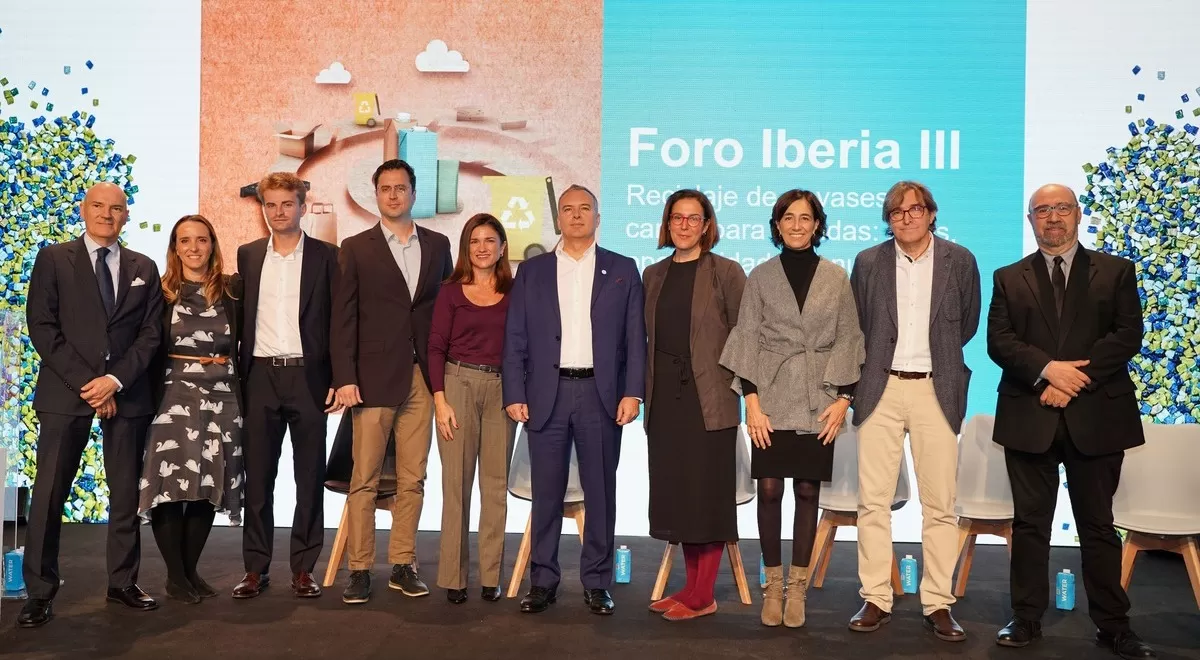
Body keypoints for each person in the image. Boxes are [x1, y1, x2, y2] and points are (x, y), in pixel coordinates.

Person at [987, 184, 1155, 659]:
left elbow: (1127, 335)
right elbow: (1000, 341)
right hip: (1029, 413)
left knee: (1098, 525)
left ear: (1078, 214)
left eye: (1062, 208)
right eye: (1042, 210)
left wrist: (1071, 381)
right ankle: (1026, 618)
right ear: (1030, 220)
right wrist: (1047, 371)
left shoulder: (1116, 271)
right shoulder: (1008, 277)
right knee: (1030, 525)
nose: (1053, 217)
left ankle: (1114, 626)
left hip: (1097, 414)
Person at [19, 182, 165, 628]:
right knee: (49, 494)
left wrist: (115, 381)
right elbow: (42, 326)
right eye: (98, 206)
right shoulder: (52, 259)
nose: (106, 214)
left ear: (126, 215)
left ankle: (122, 582)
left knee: (125, 494)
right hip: (67, 393)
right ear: (83, 210)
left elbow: (151, 334)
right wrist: (91, 384)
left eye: (116, 208)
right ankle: (39, 592)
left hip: (127, 393)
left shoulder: (144, 266)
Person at [720, 189, 864, 628]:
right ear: (777, 225)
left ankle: (797, 590)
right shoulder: (761, 276)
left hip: (821, 396)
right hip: (770, 394)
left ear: (817, 225)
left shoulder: (836, 277)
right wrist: (751, 403)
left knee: (806, 491)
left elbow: (850, 338)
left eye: (805, 218)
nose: (797, 225)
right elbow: (746, 336)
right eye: (788, 217)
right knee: (768, 490)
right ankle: (772, 586)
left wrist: (844, 400)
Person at [502, 184, 647, 615]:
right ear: (558, 219)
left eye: (585, 209)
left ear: (598, 218)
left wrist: (633, 391)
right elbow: (515, 336)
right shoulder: (533, 271)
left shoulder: (622, 268)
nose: (577, 215)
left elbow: (635, 338)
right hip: (546, 393)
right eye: (568, 209)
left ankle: (597, 582)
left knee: (600, 492)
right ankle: (542, 581)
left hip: (601, 395)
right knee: (545, 493)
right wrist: (514, 391)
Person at [847, 181, 979, 641]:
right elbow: (859, 324)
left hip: (935, 389)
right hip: (879, 390)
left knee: (940, 503)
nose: (906, 218)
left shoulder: (959, 260)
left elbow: (966, 324)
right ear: (888, 219)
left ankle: (938, 602)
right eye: (897, 212)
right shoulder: (868, 262)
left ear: (931, 213)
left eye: (915, 209)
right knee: (872, 502)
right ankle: (875, 597)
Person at [332, 159, 453, 604]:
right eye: (386, 188)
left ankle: (403, 564)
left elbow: (447, 311)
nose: (394, 195)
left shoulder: (438, 245)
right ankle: (360, 569)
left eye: (401, 188)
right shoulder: (355, 247)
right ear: (376, 195)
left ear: (414, 194)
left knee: (413, 478)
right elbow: (343, 318)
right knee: (364, 479)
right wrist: (345, 377)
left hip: (423, 378)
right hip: (372, 379)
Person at [233, 172, 340, 600]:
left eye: (287, 204)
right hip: (260, 376)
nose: (279, 212)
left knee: (309, 477)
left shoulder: (328, 257)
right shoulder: (247, 255)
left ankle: (304, 568)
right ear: (263, 209)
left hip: (309, 377)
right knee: (258, 478)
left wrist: (339, 378)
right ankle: (254, 568)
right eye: (271, 204)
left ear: (302, 207)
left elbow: (339, 322)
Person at [642, 190, 746, 621]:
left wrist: (744, 391)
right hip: (665, 397)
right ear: (667, 224)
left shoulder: (727, 272)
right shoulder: (653, 274)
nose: (684, 225)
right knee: (679, 494)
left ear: (707, 225)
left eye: (693, 218)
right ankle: (689, 587)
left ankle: (703, 594)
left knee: (707, 494)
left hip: (710, 396)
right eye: (677, 217)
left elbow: (745, 336)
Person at [139, 215, 244, 604]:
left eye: (202, 239)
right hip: (173, 395)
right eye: (185, 240)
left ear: (213, 244)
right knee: (170, 485)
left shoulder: (231, 291)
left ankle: (188, 571)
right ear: (175, 248)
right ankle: (175, 575)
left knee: (208, 484)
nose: (194, 247)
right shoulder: (161, 292)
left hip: (224, 397)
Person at [427, 213, 517, 605]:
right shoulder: (450, 291)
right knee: (456, 486)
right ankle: (454, 577)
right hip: (457, 386)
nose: (482, 247)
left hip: (502, 390)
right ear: (466, 247)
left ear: (502, 247)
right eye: (474, 241)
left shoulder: (516, 290)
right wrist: (440, 399)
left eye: (489, 240)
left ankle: (491, 576)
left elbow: (524, 345)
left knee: (495, 487)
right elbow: (435, 346)